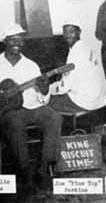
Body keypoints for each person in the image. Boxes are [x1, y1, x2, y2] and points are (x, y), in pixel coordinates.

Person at [0, 24, 62, 192]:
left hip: (32, 108)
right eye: (12, 39)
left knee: (54, 117)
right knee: (15, 122)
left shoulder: (31, 65)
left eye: (20, 39)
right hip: (8, 112)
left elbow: (43, 99)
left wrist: (44, 89)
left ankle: (43, 170)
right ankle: (25, 173)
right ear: (4, 41)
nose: (16, 42)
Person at [49, 18, 106, 112]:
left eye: (71, 31)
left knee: (47, 102)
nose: (68, 35)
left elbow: (64, 87)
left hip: (85, 102)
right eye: (65, 32)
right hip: (99, 99)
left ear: (79, 32)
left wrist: (49, 90)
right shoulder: (87, 47)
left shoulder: (75, 54)